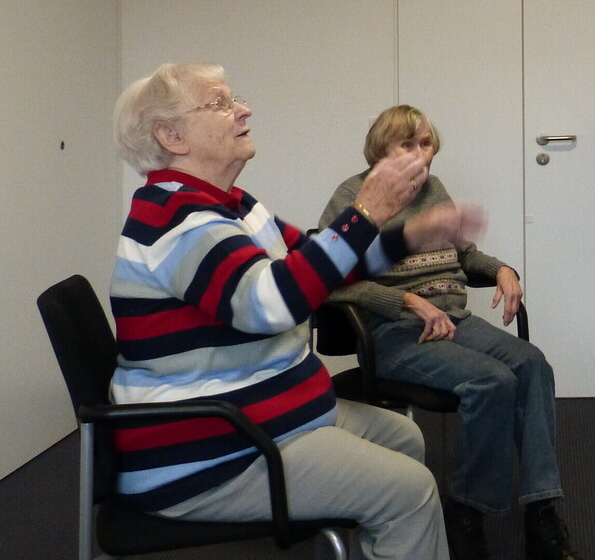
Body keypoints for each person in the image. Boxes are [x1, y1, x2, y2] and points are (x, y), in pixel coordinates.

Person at [110, 63, 480, 560]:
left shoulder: (233, 205)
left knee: (406, 437)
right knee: (410, 491)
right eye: (219, 102)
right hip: (210, 453)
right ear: (172, 135)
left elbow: (325, 264)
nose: (244, 109)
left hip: (269, 418)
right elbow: (272, 303)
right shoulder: (178, 218)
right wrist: (366, 211)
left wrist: (414, 232)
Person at [320, 105, 584, 560]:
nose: (420, 155)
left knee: (533, 363)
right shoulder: (353, 196)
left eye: (426, 144)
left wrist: (502, 269)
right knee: (492, 381)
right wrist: (404, 300)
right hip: (396, 332)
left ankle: (542, 510)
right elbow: (326, 280)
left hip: (455, 320)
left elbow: (465, 255)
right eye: (407, 144)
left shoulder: (434, 189)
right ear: (380, 150)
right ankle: (466, 512)